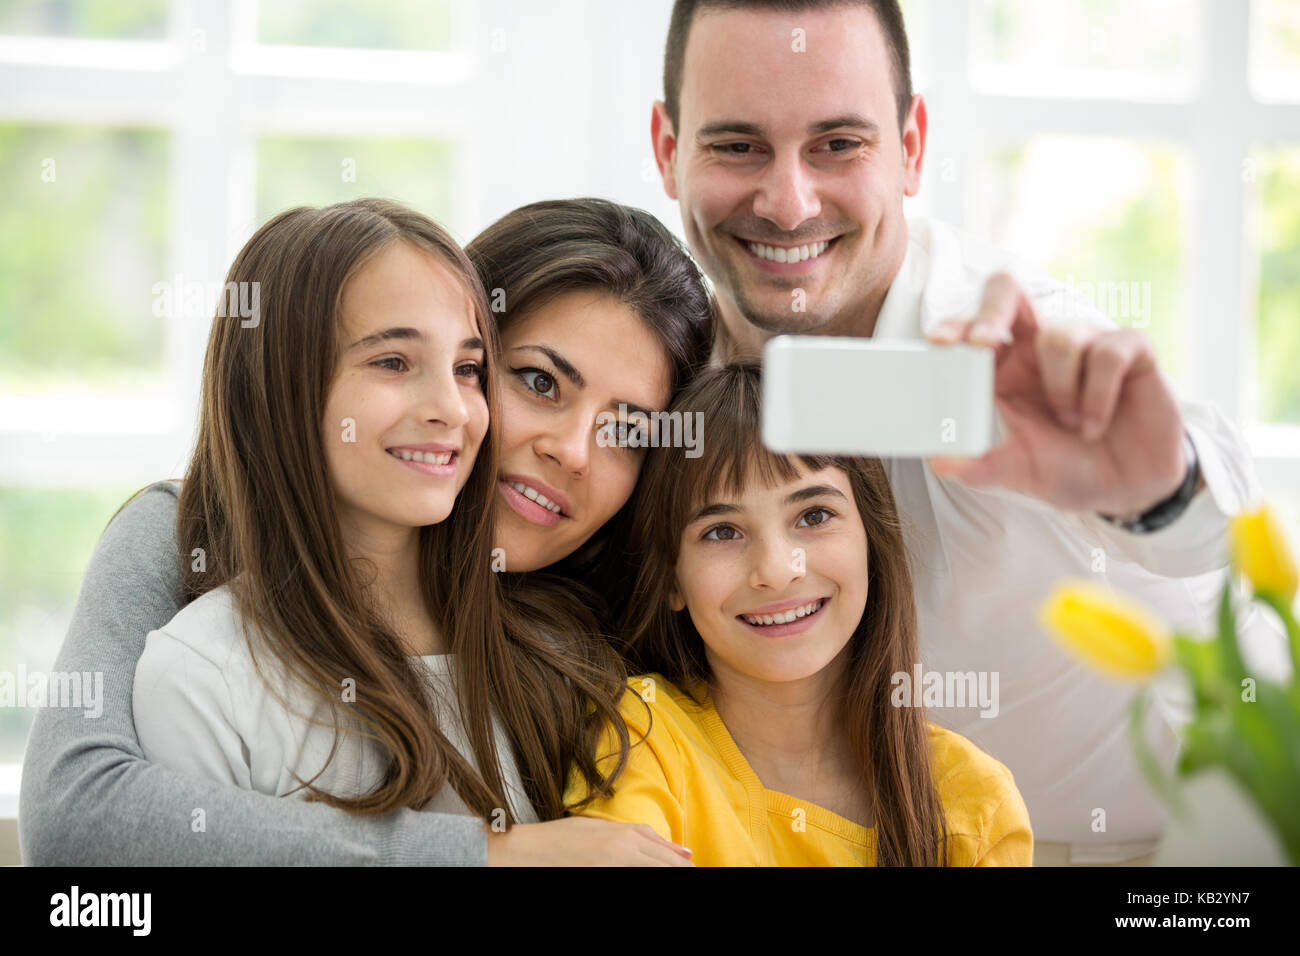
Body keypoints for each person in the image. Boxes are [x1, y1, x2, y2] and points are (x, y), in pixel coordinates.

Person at [648, 0, 1271, 865]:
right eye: (737, 145)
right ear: (668, 148)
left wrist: (1156, 491)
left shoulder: (999, 349)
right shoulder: (668, 371)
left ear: (910, 146)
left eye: (838, 144)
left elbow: (1225, 528)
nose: (788, 203)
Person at [18, 198, 710, 866]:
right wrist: (486, 857)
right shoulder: (186, 564)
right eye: (536, 380)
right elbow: (80, 816)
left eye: (628, 430)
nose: (575, 451)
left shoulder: (597, 648)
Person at [566, 363, 1033, 866]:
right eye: (723, 531)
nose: (776, 570)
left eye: (813, 516)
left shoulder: (976, 802)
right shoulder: (640, 736)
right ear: (673, 579)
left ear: (870, 542)